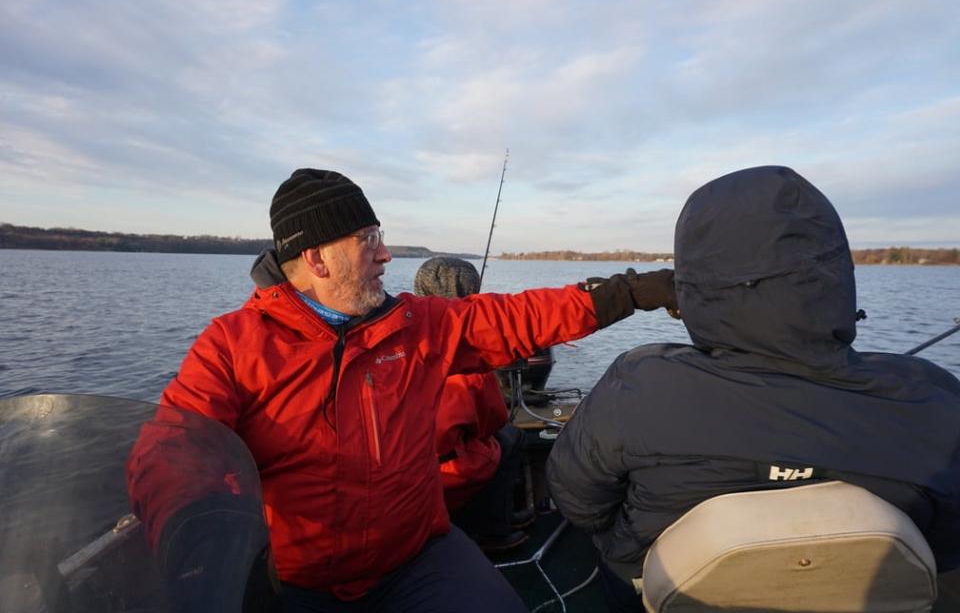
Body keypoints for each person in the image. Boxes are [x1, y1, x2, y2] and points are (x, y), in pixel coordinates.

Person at [130, 168, 678, 612]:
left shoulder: (415, 324)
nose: (386, 254)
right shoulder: (234, 344)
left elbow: (515, 318)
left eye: (380, 238)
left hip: (416, 558)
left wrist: (628, 291)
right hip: (297, 583)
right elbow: (174, 446)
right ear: (317, 257)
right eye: (368, 240)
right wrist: (190, 531)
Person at [546, 165, 960, 612]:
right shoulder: (931, 395)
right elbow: (948, 540)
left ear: (694, 285)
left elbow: (578, 502)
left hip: (656, 588)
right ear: (836, 274)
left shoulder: (639, 381)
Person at [414, 257, 530, 552]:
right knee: (509, 438)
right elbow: (493, 418)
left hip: (402, 469)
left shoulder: (393, 339)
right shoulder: (468, 361)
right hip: (443, 471)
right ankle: (494, 531)